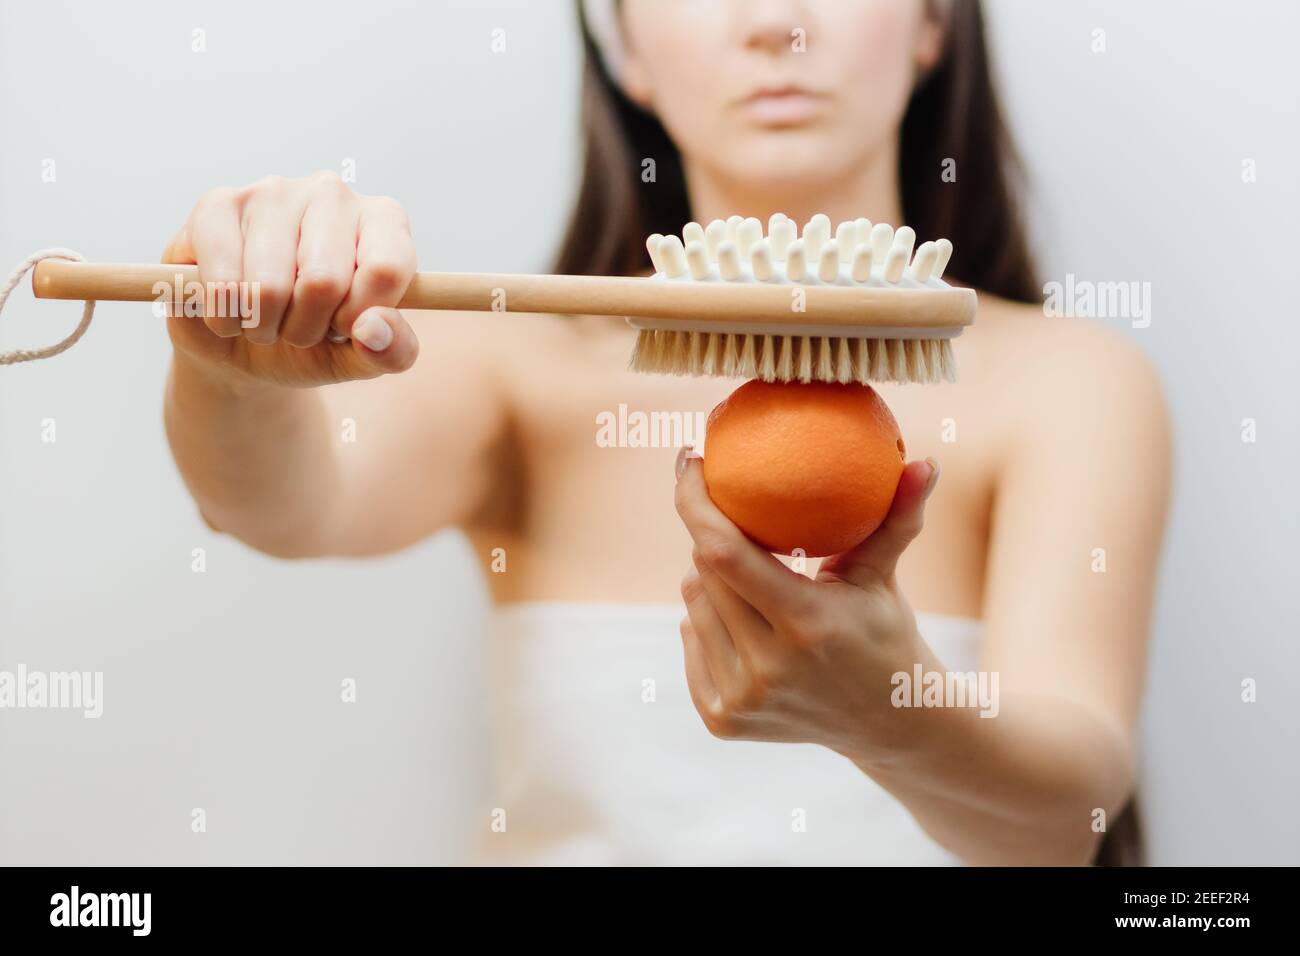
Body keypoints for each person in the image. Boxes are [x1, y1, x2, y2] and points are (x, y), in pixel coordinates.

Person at [161, 0, 1171, 865]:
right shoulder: (512, 368)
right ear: (625, 45)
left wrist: (895, 720)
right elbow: (280, 503)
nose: (774, 24)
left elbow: (1065, 820)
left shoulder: (1073, 384)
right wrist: (232, 375)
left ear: (931, 21)